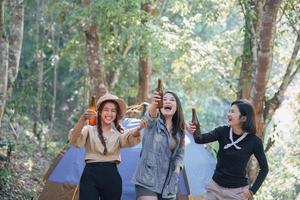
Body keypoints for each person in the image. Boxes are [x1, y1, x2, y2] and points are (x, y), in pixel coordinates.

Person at [68, 93, 147, 200]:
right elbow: (74, 140)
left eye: (113, 110)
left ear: (116, 114)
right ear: (99, 112)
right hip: (90, 174)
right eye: (106, 109)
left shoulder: (118, 134)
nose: (109, 113)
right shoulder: (89, 130)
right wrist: (82, 120)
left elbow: (128, 137)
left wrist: (139, 128)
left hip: (111, 175)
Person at [188, 99, 269, 200]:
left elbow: (264, 168)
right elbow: (199, 139)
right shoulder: (222, 131)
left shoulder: (254, 141)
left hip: (237, 192)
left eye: (233, 112)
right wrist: (195, 130)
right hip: (215, 188)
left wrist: (252, 191)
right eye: (229, 111)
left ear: (243, 118)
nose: (228, 114)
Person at [132, 91, 186, 200]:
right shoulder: (153, 123)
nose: (168, 101)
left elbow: (179, 155)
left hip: (168, 183)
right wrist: (155, 103)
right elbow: (150, 116)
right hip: (147, 180)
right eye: (164, 99)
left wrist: (176, 172)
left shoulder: (179, 131)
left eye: (172, 100)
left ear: (177, 107)